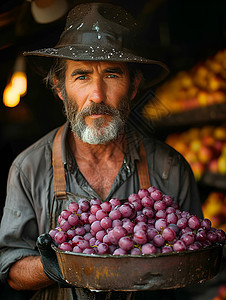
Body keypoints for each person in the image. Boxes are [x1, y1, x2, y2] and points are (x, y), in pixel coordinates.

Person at [0, 2, 203, 300]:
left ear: (134, 86)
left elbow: (196, 265)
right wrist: (57, 267)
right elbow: (11, 270)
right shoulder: (28, 168)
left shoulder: (170, 168)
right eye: (81, 76)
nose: (97, 95)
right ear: (60, 88)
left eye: (111, 75)